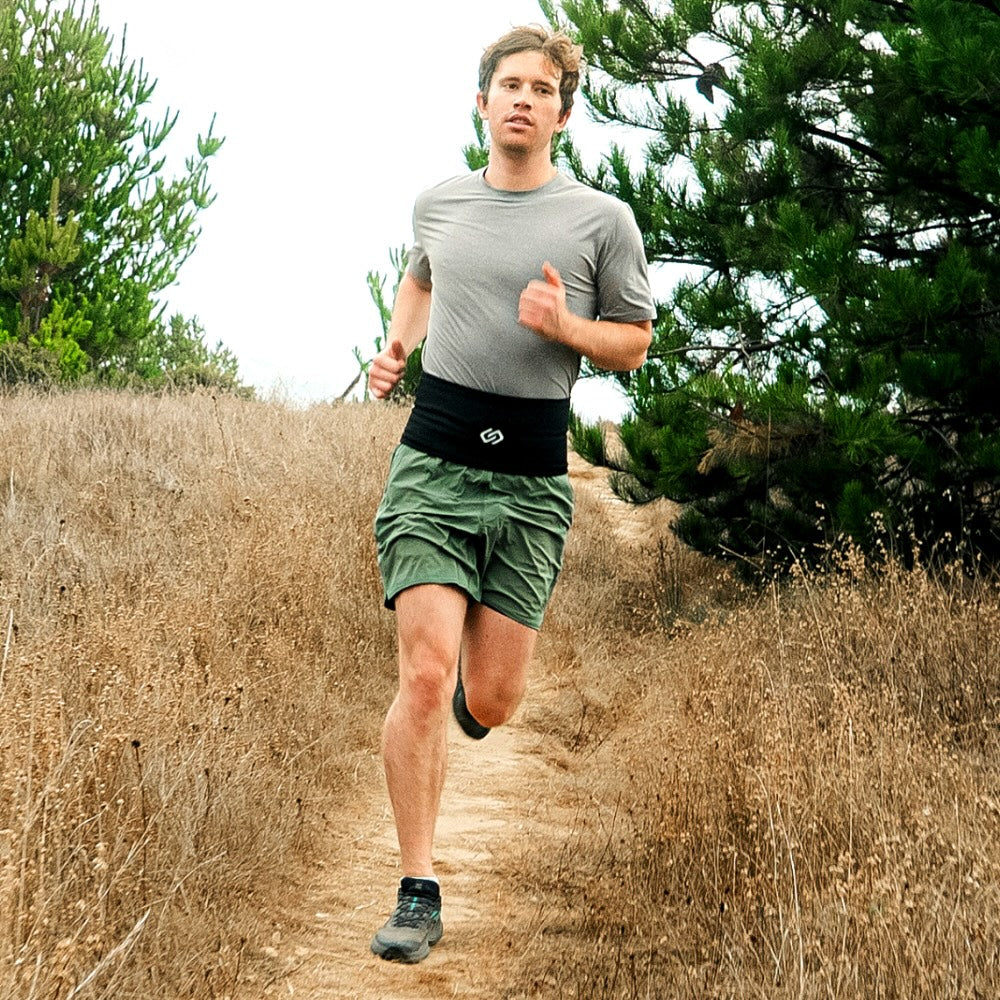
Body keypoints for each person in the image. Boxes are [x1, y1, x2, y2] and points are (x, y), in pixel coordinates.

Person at [366, 24, 655, 964]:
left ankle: (461, 715)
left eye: (541, 88)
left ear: (563, 114)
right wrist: (396, 347)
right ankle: (417, 888)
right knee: (421, 670)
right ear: (482, 103)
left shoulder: (602, 221)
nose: (523, 99)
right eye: (509, 85)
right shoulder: (439, 204)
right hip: (434, 463)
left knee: (491, 697)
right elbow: (419, 279)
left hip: (532, 480)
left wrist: (566, 324)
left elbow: (634, 341)